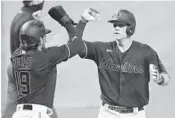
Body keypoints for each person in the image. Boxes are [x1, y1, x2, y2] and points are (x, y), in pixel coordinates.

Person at [79, 9, 170, 118]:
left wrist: (160, 79)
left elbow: (166, 78)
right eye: (114, 25)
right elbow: (76, 45)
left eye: (120, 25)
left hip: (135, 114)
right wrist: (83, 21)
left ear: (130, 28)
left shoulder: (146, 52)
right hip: (107, 113)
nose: (116, 28)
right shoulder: (101, 49)